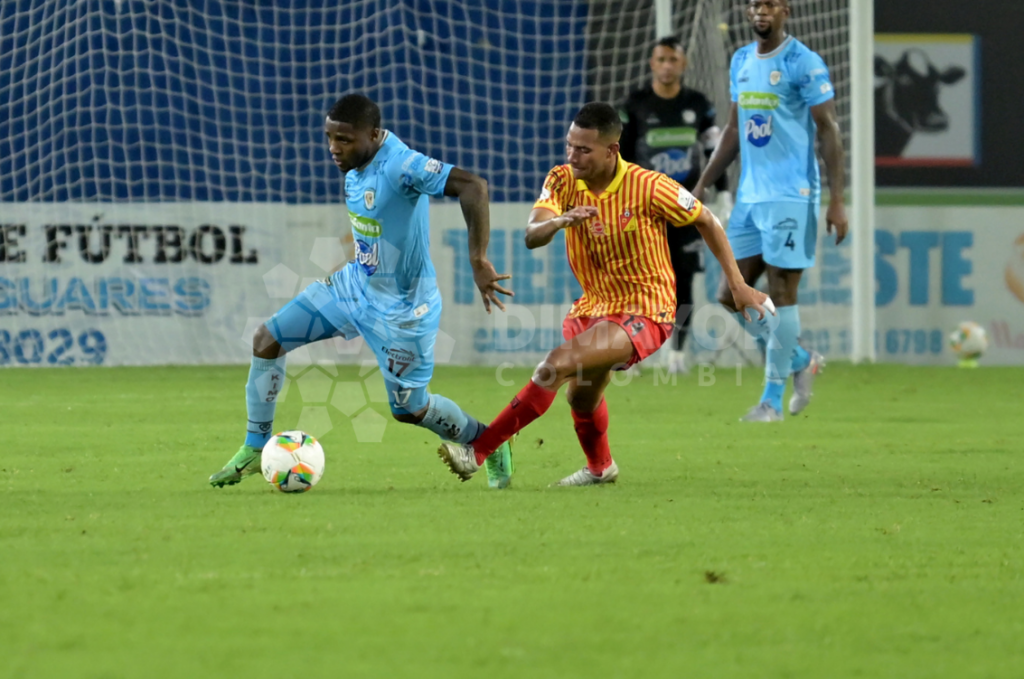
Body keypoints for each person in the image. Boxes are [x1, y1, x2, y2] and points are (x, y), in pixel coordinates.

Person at [435, 103, 771, 487]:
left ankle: (478, 451)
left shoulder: (649, 186)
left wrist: (738, 284)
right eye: (569, 146)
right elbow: (532, 235)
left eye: (583, 149)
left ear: (612, 150)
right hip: (593, 307)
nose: (572, 156)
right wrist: (561, 221)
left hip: (646, 310)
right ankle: (601, 468)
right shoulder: (562, 179)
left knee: (554, 365)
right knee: (580, 398)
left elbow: (706, 220)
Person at [209, 94, 516, 489]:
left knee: (409, 409)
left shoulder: (401, 165)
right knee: (267, 339)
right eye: (329, 138)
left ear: (373, 134)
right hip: (353, 288)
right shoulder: (358, 163)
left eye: (344, 139)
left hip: (403, 311)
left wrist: (477, 259)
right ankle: (255, 447)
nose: (334, 148)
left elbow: (474, 186)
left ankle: (488, 441)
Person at [693, 0, 848, 422]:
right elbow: (733, 129)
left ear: (786, 12)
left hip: (792, 193)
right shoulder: (742, 60)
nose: (762, 10)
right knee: (730, 293)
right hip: (750, 196)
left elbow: (828, 129)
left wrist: (837, 199)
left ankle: (771, 401)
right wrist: (703, 184)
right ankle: (798, 358)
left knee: (781, 291)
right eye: (755, 4)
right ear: (748, 12)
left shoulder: (804, 62)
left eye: (771, 4)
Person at [620, 35, 730, 374]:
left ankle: (677, 354)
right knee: (637, 280)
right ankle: (631, 351)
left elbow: (714, 150)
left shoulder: (697, 104)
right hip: (644, 208)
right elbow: (621, 156)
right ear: (652, 64)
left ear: (683, 64)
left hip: (684, 209)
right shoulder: (636, 103)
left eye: (673, 60)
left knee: (682, 279)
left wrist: (724, 194)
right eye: (661, 59)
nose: (667, 66)